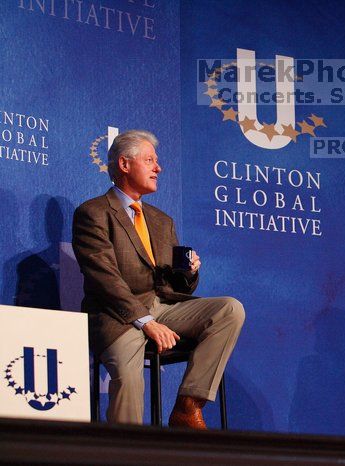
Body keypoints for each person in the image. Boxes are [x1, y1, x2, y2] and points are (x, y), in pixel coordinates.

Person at [72, 130, 245, 428]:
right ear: (125, 164)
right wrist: (146, 322)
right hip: (117, 316)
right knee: (128, 378)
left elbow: (172, 287)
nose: (158, 168)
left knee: (229, 309)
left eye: (157, 161)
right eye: (150, 160)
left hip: (162, 307)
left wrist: (188, 273)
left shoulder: (161, 220)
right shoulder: (94, 213)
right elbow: (105, 279)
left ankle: (187, 407)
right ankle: (127, 452)